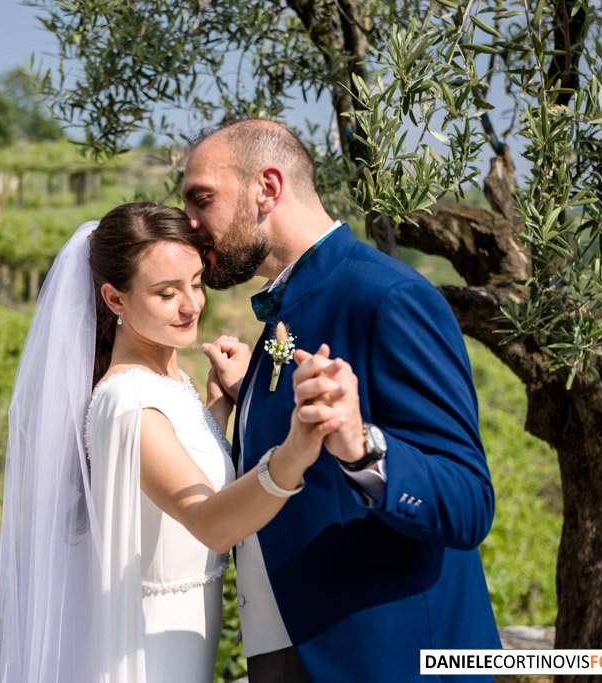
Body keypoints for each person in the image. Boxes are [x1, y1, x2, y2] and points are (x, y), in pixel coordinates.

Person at [0, 202, 346, 683]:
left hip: (182, 646)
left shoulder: (169, 383)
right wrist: (295, 450)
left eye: (196, 283)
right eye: (167, 293)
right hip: (149, 657)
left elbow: (172, 479)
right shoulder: (129, 405)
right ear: (115, 299)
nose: (191, 305)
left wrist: (218, 409)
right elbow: (209, 523)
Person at [185, 119, 502, 682]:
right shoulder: (285, 314)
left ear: (267, 188)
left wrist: (362, 448)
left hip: (387, 662)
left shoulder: (389, 297)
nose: (188, 220)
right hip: (288, 652)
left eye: (201, 198)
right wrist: (250, 396)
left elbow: (469, 502)